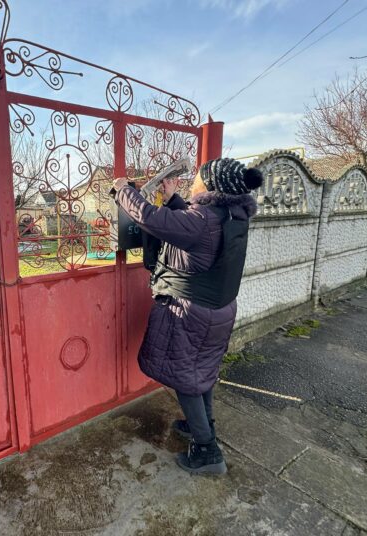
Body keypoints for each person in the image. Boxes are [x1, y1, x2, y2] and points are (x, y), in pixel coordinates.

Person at [112, 158, 263, 475]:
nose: (194, 182)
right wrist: (172, 199)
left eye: (198, 178)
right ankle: (201, 426)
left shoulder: (205, 219)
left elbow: (151, 219)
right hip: (219, 309)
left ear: (211, 185)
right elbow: (194, 231)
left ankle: (207, 452)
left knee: (187, 378)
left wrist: (124, 190)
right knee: (201, 371)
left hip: (192, 312)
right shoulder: (232, 215)